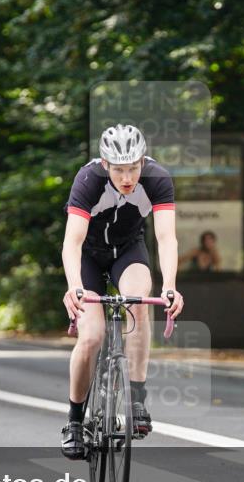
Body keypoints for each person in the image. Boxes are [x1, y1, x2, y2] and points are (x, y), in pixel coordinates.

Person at [60, 124, 185, 460]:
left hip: (128, 250)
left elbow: (167, 239)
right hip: (88, 256)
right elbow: (72, 242)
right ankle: (74, 421)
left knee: (139, 303)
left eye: (133, 167)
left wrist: (170, 286)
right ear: (105, 164)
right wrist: (74, 287)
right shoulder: (88, 179)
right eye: (118, 169)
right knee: (91, 336)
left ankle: (137, 398)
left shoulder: (157, 179)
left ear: (143, 161)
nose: (127, 177)